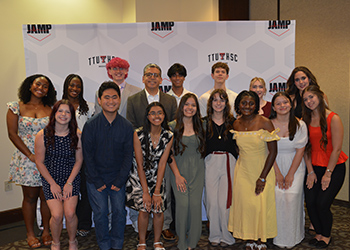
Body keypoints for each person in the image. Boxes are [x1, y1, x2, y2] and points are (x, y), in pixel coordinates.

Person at [127, 63, 177, 241]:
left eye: (156, 75)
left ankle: (165, 225)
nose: (152, 77)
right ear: (143, 78)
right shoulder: (133, 99)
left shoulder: (170, 100)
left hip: (163, 153)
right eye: (148, 74)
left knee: (163, 192)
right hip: (141, 154)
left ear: (161, 79)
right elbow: (131, 124)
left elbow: (171, 126)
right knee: (143, 196)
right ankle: (146, 227)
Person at [82, 81, 134, 250]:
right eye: (107, 97)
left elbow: (128, 156)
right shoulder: (90, 125)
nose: (111, 101)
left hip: (117, 179)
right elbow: (87, 156)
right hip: (95, 180)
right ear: (99, 100)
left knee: (119, 213)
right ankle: (104, 245)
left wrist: (120, 181)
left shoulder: (126, 126)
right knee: (100, 214)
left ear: (119, 99)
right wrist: (97, 181)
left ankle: (117, 244)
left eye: (114, 97)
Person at [6, 74, 56, 248]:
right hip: (26, 159)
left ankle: (46, 232)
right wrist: (30, 155)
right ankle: (30, 233)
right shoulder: (16, 107)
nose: (41, 88)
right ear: (30, 86)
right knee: (29, 198)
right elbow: (12, 134)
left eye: (45, 86)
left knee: (46, 197)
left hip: (47, 158)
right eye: (38, 84)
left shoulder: (50, 109)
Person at [228, 90, 278, 250]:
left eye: (251, 103)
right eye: (244, 103)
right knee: (247, 205)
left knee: (260, 205)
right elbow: (237, 148)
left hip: (262, 169)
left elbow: (273, 151)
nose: (247, 106)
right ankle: (249, 237)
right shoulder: (236, 123)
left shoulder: (265, 122)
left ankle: (261, 240)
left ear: (256, 105)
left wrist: (262, 177)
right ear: (238, 105)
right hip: (243, 171)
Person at [303, 85, 347, 248]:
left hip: (333, 168)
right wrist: (310, 172)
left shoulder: (333, 118)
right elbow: (305, 148)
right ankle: (319, 233)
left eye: (311, 97)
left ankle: (326, 235)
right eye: (306, 99)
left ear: (320, 96)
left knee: (322, 204)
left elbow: (336, 149)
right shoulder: (305, 120)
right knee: (311, 201)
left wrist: (327, 174)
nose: (309, 101)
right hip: (313, 167)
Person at [35, 99, 83, 250]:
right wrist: (53, 184)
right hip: (51, 179)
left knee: (69, 213)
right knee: (56, 215)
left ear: (72, 115)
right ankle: (56, 242)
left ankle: (72, 240)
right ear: (54, 113)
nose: (63, 114)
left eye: (67, 112)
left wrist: (69, 183)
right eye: (60, 111)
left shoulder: (77, 134)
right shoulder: (42, 135)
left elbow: (79, 161)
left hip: (71, 178)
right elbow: (40, 162)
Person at [126, 102, 174, 250]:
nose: (156, 116)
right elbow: (139, 165)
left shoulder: (169, 135)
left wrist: (157, 191)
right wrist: (146, 192)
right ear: (147, 116)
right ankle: (142, 242)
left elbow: (162, 164)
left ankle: (157, 242)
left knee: (158, 208)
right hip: (139, 176)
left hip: (157, 175)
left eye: (159, 113)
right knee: (144, 207)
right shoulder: (138, 134)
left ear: (164, 115)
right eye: (152, 113)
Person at [269, 92, 308, 248]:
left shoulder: (300, 124)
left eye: (285, 102)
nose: (282, 106)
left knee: (291, 197)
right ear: (273, 107)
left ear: (291, 104)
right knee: (278, 197)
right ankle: (278, 237)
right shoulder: (268, 124)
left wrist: (290, 174)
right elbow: (268, 151)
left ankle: (293, 236)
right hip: (274, 164)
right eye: (278, 103)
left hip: (295, 165)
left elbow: (300, 150)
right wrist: (278, 174)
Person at [168, 93, 205, 250]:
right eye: (187, 104)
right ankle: (182, 242)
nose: (190, 108)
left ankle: (193, 242)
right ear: (181, 106)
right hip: (178, 172)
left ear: (197, 108)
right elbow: (168, 154)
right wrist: (177, 175)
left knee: (195, 206)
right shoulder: (171, 126)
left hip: (198, 170)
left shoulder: (202, 126)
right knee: (182, 206)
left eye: (193, 105)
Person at [62, 74, 95, 237]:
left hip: (85, 155)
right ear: (66, 86)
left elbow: (93, 131)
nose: (75, 89)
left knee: (86, 190)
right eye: (72, 85)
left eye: (78, 86)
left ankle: (84, 223)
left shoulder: (88, 107)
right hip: (64, 157)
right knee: (68, 191)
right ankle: (69, 222)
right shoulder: (59, 106)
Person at [204, 89, 237, 247]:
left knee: (225, 201)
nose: (218, 103)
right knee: (211, 201)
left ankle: (226, 235)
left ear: (226, 103)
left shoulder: (233, 122)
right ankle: (214, 235)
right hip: (210, 161)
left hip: (228, 161)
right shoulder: (204, 122)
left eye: (222, 100)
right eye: (215, 100)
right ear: (211, 103)